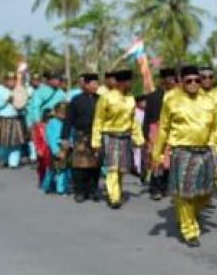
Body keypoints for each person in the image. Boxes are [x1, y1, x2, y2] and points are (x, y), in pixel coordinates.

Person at [152, 64, 217, 247]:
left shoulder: (209, 101)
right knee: (185, 194)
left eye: (197, 80)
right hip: (182, 152)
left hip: (205, 152)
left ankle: (188, 214)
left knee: (205, 193)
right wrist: (157, 154)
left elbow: (215, 128)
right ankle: (189, 230)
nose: (194, 83)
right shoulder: (171, 101)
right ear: (181, 82)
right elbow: (164, 129)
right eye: (189, 81)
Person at [92, 69, 144, 209]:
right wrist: (96, 141)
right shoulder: (106, 98)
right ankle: (113, 197)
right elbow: (98, 120)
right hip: (110, 136)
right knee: (112, 167)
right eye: (129, 82)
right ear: (121, 83)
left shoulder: (131, 98)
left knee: (122, 168)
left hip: (125, 137)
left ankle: (117, 192)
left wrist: (139, 138)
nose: (131, 84)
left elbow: (133, 120)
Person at [142, 67, 176, 198]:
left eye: (173, 79)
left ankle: (165, 186)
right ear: (163, 80)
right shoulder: (153, 96)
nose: (172, 81)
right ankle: (155, 188)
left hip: (172, 132)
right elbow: (147, 118)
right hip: (156, 132)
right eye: (169, 78)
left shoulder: (177, 96)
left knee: (169, 161)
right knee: (157, 161)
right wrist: (145, 135)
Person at [67, 73, 101, 202]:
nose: (96, 86)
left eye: (97, 83)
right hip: (81, 135)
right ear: (86, 84)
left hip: (97, 136)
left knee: (95, 165)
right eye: (93, 83)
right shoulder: (76, 100)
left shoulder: (101, 99)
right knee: (80, 166)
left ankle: (93, 190)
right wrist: (64, 137)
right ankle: (80, 191)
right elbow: (68, 120)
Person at [0, 72, 27, 169]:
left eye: (13, 80)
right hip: (3, 119)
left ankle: (14, 162)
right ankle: (3, 159)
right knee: (3, 142)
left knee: (16, 143)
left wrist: (21, 104)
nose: (11, 82)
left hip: (15, 118)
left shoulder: (19, 90)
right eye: (9, 80)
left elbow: (23, 105)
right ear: (5, 81)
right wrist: (7, 100)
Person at [42, 104, 70, 195]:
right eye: (61, 113)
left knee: (63, 169)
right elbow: (51, 138)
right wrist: (55, 151)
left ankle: (61, 188)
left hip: (66, 148)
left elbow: (71, 134)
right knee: (52, 170)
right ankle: (46, 186)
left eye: (65, 113)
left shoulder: (67, 123)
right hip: (55, 149)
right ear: (56, 113)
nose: (63, 115)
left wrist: (70, 143)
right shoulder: (52, 123)